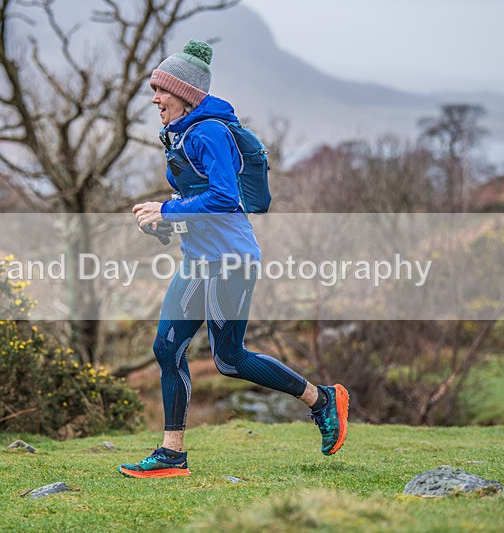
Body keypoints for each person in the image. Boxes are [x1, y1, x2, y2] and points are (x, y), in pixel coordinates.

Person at [120, 40, 348, 479]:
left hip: (230, 261)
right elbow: (197, 198)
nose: (154, 99)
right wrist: (164, 221)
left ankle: (323, 400)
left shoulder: (208, 131)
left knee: (228, 359)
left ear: (185, 93)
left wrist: (167, 210)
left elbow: (225, 197)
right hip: (198, 259)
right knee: (167, 348)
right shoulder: (179, 133)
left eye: (159, 90)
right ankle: (172, 454)